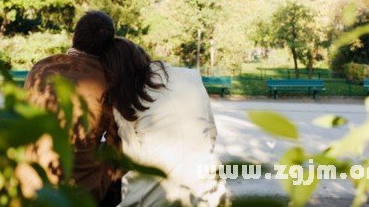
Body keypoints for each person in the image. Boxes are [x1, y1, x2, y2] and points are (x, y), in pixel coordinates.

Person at [100, 37, 225, 206]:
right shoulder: (191, 78)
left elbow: (130, 157)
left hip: (157, 198)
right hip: (210, 191)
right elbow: (211, 133)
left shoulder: (126, 100)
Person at [19, 11, 122, 205]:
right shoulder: (108, 83)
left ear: (75, 36)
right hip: (78, 192)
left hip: (28, 181)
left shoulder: (40, 68)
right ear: (108, 47)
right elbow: (114, 141)